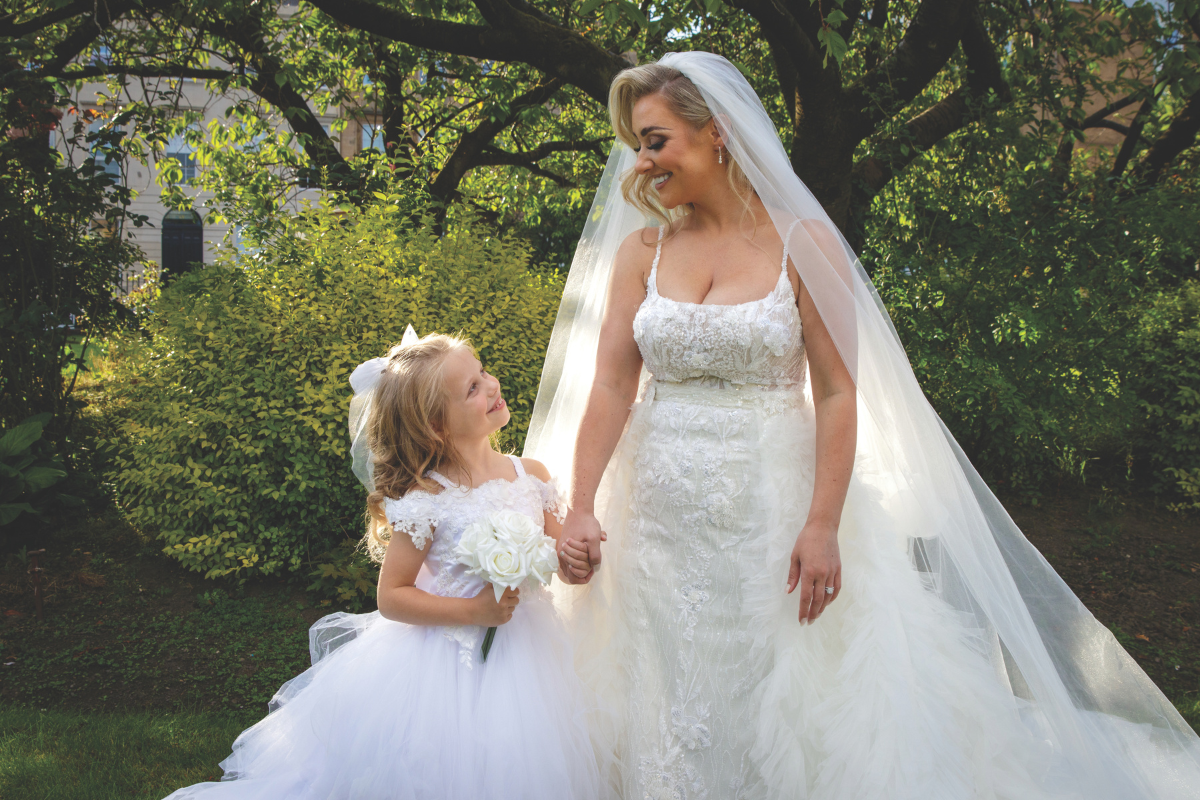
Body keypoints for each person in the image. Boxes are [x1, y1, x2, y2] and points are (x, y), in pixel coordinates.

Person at [530, 52, 1200, 799]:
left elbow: (838, 393)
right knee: (659, 674)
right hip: (651, 517)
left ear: (715, 132)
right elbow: (614, 384)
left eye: (655, 139)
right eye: (637, 145)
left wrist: (822, 524)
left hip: (770, 509)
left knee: (781, 684)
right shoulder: (641, 252)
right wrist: (582, 506)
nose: (643, 160)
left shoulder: (803, 245)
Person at [164, 330, 602, 800]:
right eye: (472, 389)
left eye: (482, 373)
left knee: (522, 758)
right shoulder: (428, 499)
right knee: (447, 767)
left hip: (529, 651)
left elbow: (557, 556)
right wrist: (473, 613)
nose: (491, 386)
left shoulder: (529, 474)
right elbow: (392, 597)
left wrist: (573, 562)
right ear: (437, 426)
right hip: (444, 660)